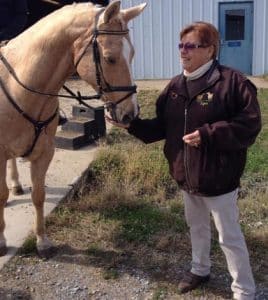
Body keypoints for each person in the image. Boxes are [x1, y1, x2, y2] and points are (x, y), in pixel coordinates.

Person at [107, 22, 261, 300]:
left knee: (230, 238)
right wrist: (130, 126)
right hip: (186, 176)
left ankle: (244, 290)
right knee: (197, 227)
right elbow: (161, 128)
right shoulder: (175, 86)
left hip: (220, 178)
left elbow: (250, 125)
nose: (183, 52)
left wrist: (209, 135)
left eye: (191, 46)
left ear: (210, 50)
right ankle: (200, 270)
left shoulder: (233, 83)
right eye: (181, 45)